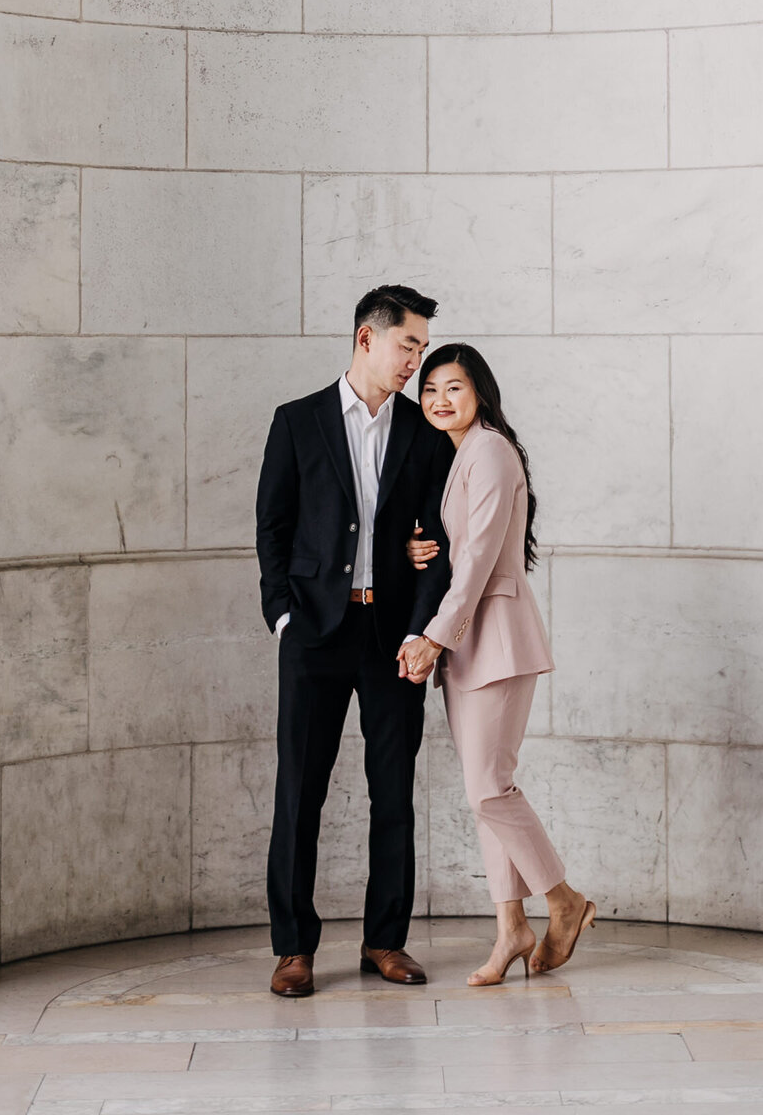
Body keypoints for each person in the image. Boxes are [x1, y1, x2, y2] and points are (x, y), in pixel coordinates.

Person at [255, 284, 455, 999]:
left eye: (423, 349)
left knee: (393, 793)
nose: (417, 362)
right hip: (313, 632)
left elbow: (438, 540)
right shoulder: (298, 421)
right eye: (409, 345)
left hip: (392, 636)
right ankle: (293, 948)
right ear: (367, 339)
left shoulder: (426, 436)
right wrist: (282, 613)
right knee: (298, 792)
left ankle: (385, 940)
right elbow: (272, 527)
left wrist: (422, 628)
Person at [400, 343, 596, 987]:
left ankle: (562, 900)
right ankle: (511, 926)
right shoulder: (465, 456)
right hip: (472, 642)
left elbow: (480, 557)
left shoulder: (488, 450)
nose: (438, 400)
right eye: (429, 390)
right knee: (484, 793)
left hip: (496, 637)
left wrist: (432, 637)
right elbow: (462, 548)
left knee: (490, 788)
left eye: (453, 387)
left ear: (480, 391)